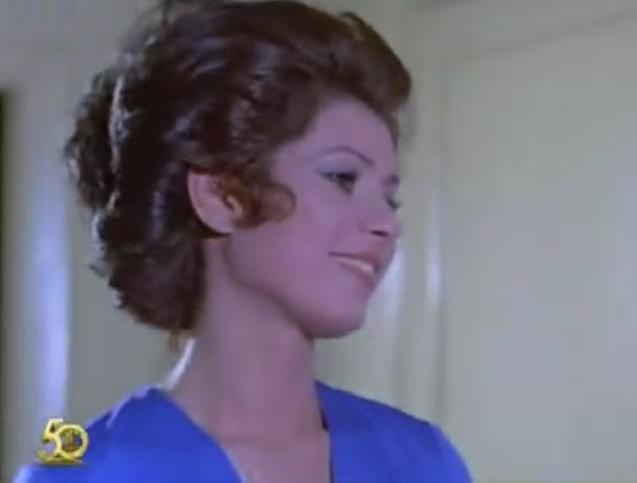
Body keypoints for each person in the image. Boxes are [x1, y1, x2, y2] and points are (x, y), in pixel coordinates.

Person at [16, 0, 471, 481]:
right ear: (222, 196)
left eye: (390, 198)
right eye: (342, 178)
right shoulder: (82, 473)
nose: (386, 224)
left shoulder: (423, 459)